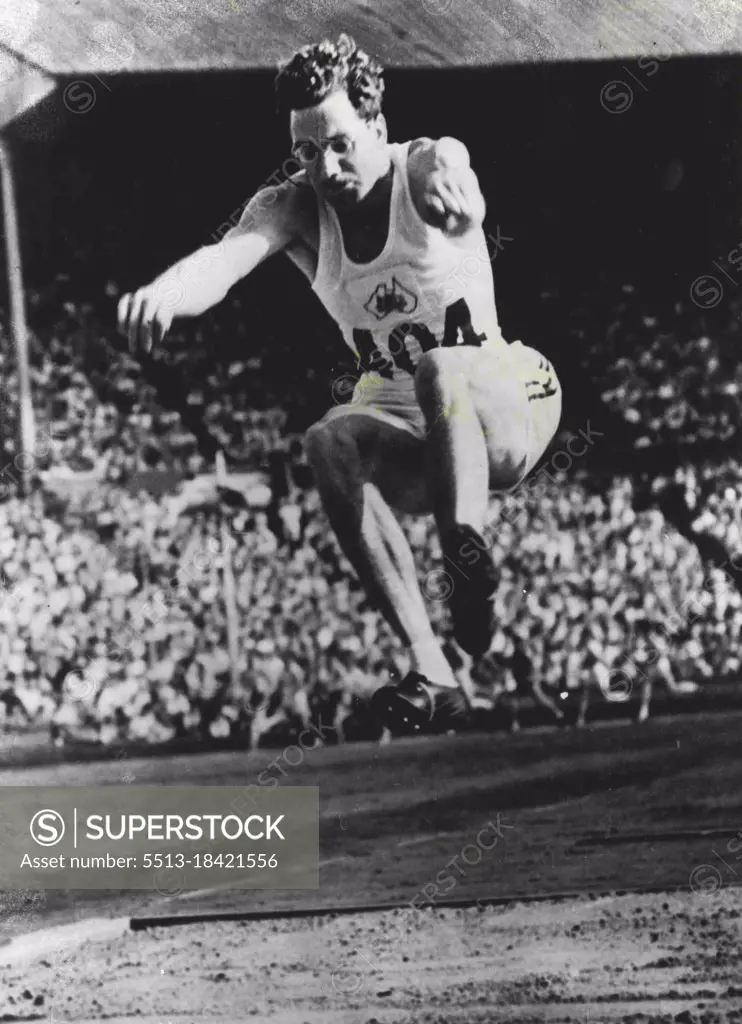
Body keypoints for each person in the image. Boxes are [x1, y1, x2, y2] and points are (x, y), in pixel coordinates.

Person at [117, 34, 562, 735]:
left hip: (503, 402)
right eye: (306, 151)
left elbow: (464, 184)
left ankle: (465, 561)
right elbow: (224, 260)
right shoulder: (293, 206)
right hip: (414, 431)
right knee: (327, 438)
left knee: (439, 366)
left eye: (341, 145)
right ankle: (433, 668)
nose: (325, 167)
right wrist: (166, 292)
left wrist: (468, 212)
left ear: (377, 127)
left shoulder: (426, 166)